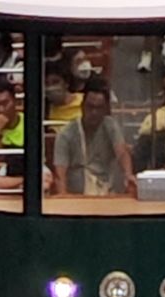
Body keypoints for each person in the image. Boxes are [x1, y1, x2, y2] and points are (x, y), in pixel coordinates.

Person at [53, 72, 139, 203]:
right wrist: (64, 200)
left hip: (105, 196)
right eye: (90, 107)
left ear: (106, 109)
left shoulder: (110, 126)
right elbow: (60, 176)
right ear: (82, 106)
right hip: (76, 199)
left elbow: (122, 153)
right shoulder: (66, 134)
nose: (94, 112)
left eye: (99, 108)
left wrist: (128, 175)